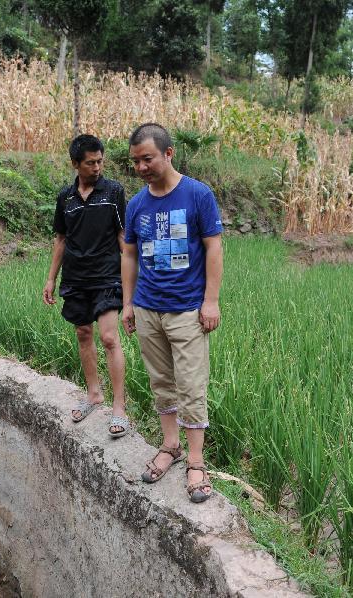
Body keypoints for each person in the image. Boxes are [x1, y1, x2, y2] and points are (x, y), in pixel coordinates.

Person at [121, 123, 224, 503]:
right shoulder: (136, 205)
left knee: (191, 385)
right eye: (135, 161)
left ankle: (196, 461)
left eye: (147, 158)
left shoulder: (197, 195)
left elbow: (214, 248)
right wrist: (129, 302)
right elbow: (129, 254)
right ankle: (170, 445)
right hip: (148, 308)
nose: (142, 167)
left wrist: (210, 301)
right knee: (161, 381)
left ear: (168, 153)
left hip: (186, 310)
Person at [43, 134, 130, 438]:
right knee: (83, 334)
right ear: (75, 164)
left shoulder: (113, 191)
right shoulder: (65, 197)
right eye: (91, 162)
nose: (97, 167)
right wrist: (52, 277)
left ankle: (119, 407)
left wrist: (134, 277)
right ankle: (94, 394)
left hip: (107, 275)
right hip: (76, 277)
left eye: (100, 161)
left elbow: (123, 236)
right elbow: (61, 239)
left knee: (108, 337)